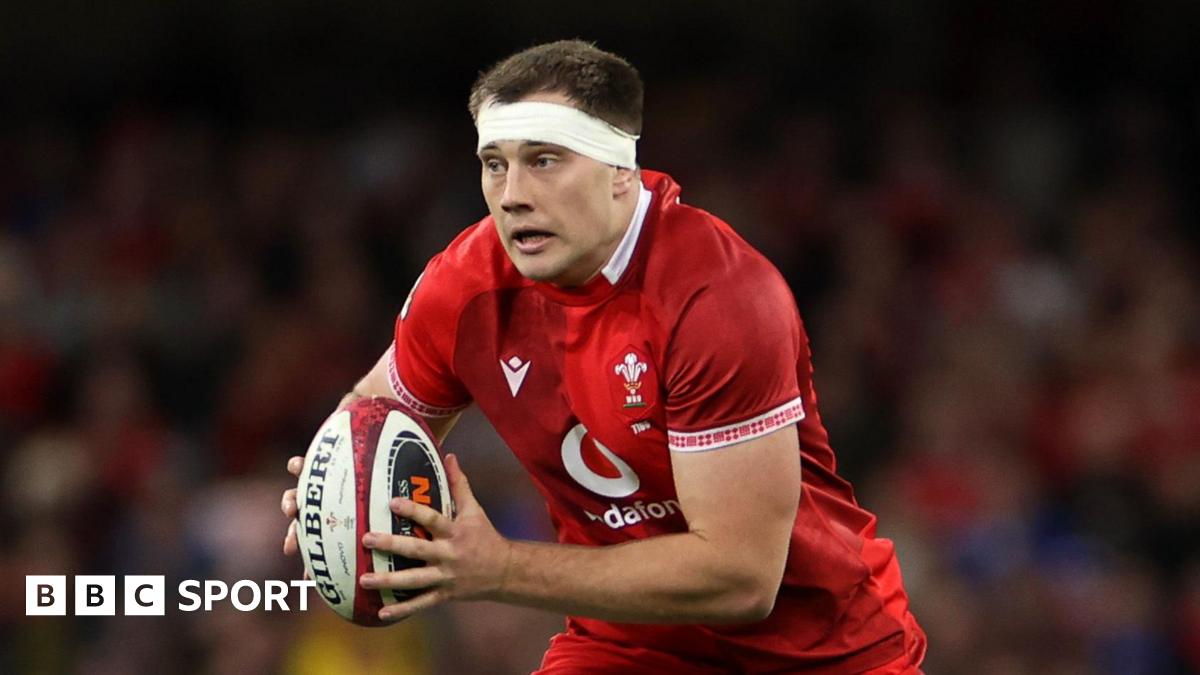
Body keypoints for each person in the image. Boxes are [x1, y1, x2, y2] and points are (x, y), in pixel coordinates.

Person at [280, 39, 926, 674]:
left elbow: (742, 579)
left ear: (621, 169)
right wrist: (335, 490)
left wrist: (501, 567)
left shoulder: (716, 297)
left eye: (544, 159)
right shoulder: (466, 285)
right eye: (494, 163)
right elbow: (374, 411)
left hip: (821, 652)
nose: (512, 195)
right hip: (631, 646)